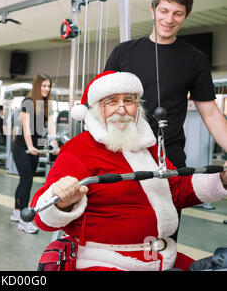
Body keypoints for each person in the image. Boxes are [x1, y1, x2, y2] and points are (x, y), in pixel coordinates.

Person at [30, 71, 227, 271]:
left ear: (138, 107)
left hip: (159, 258)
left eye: (129, 100)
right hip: (102, 261)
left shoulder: (148, 146)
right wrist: (60, 201)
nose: (122, 109)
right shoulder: (78, 149)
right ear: (98, 108)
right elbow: (40, 217)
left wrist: (222, 179)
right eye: (112, 101)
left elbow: (175, 189)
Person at [104, 0, 227, 169]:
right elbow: (101, 105)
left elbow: (210, 114)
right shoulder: (123, 52)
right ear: (153, 10)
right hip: (122, 154)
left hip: (168, 157)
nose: (169, 19)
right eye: (164, 11)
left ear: (186, 16)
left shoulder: (195, 59)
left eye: (177, 13)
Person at [10, 74, 59, 234]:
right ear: (37, 86)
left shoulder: (47, 105)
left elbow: (51, 126)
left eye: (48, 86)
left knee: (24, 180)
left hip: (35, 147)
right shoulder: (28, 102)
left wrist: (55, 144)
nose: (46, 89)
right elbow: (26, 127)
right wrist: (30, 146)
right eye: (43, 86)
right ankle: (24, 221)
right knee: (27, 180)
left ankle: (17, 212)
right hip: (22, 146)